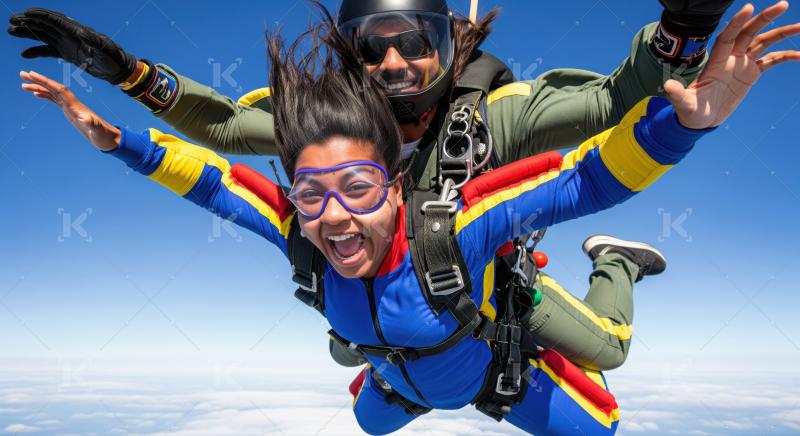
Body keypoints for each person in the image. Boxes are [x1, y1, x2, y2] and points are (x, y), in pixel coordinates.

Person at [19, 3, 799, 433]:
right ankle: (395, 358)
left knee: (609, 355)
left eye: (413, 43)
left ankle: (618, 265)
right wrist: (124, 74)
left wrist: (684, 37)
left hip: (483, 284)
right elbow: (221, 139)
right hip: (401, 327)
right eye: (371, 48)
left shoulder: (498, 120)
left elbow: (609, 121)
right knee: (379, 395)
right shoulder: (326, 132)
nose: (392, 65)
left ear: (444, 45)